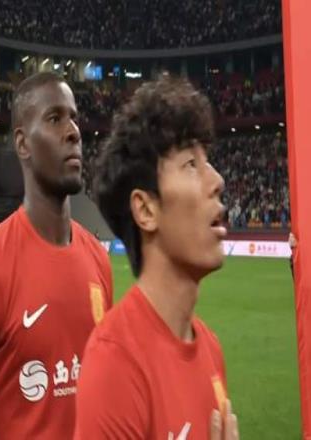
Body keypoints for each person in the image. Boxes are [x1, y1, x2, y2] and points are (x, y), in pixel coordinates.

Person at [0, 72, 113, 439]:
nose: (73, 132)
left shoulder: (98, 260)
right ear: (22, 144)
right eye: (55, 119)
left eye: (74, 118)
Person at [74, 75, 239, 439]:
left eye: (207, 161)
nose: (217, 181)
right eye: (191, 164)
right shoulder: (115, 363)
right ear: (146, 210)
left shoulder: (211, 349)